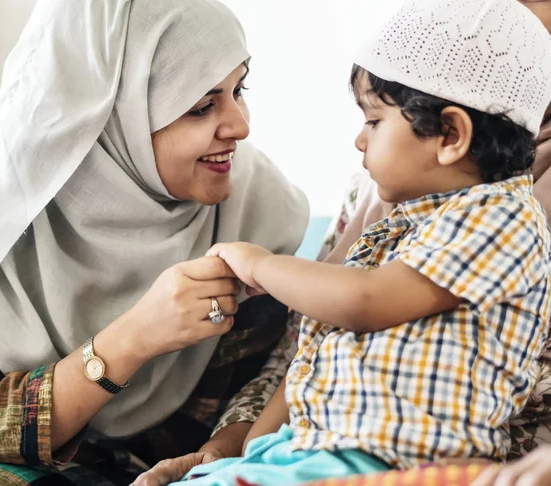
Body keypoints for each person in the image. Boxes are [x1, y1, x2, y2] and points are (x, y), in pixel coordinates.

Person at [134, 0, 551, 484]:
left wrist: (262, 266)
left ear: (451, 134)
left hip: (390, 456)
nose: (359, 140)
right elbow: (317, 347)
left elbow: (360, 301)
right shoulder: (408, 215)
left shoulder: (500, 219)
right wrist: (242, 450)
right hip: (324, 444)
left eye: (374, 122)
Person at [0, 0, 309, 484]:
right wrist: (135, 336)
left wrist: (221, 449)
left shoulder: (258, 208)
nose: (241, 126)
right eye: (202, 106)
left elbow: (276, 381)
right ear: (112, 115)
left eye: (238, 89)